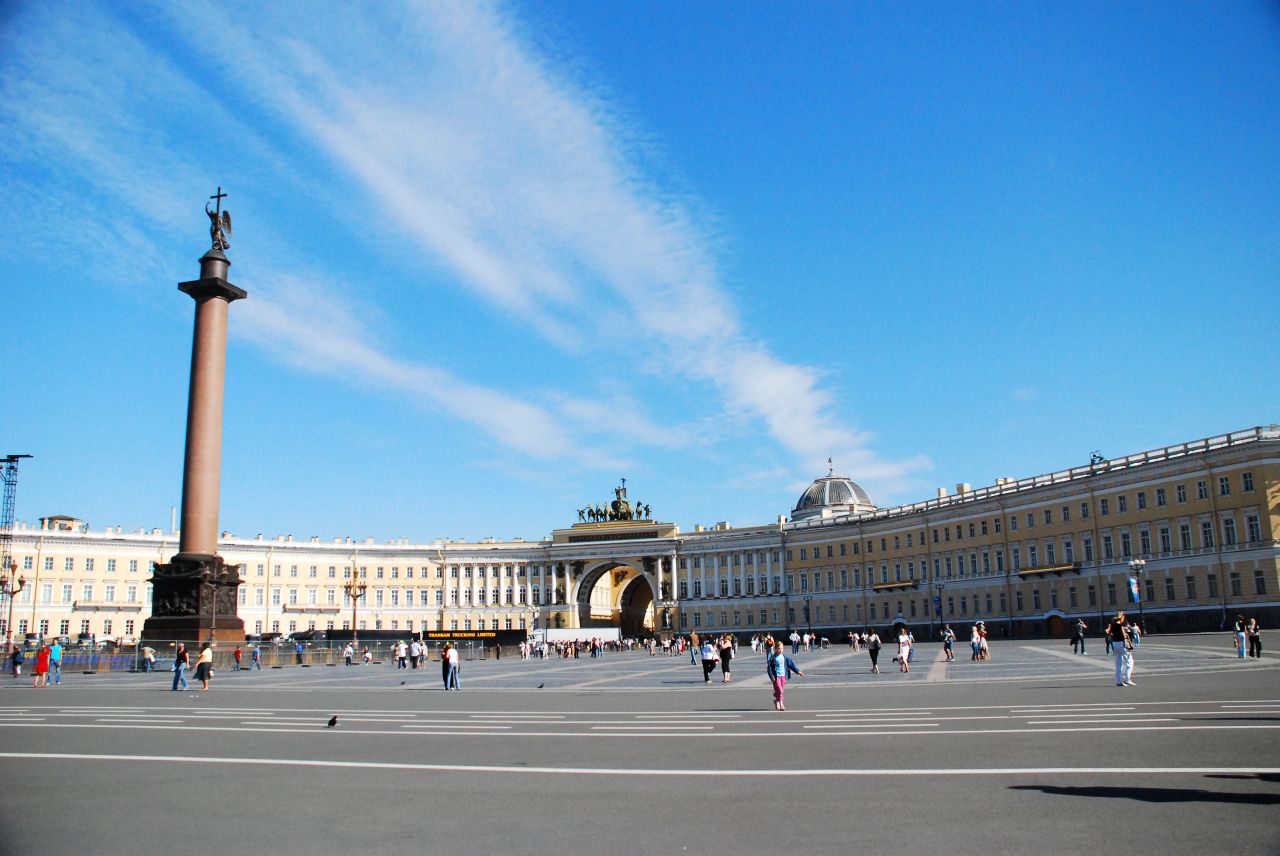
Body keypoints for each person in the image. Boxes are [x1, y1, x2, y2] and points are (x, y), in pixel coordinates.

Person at [766, 640, 804, 711]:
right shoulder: (772, 658)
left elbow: (791, 665)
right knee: (780, 690)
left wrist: (798, 671)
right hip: (776, 677)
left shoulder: (785, 658)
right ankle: (781, 702)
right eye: (779, 648)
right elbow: (769, 668)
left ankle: (777, 701)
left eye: (782, 648)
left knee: (781, 691)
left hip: (783, 676)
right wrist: (772, 676)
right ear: (775, 649)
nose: (780, 650)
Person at [1106, 611, 1133, 687]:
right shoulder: (1120, 626)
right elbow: (1124, 636)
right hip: (1121, 644)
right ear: (1121, 618)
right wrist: (1127, 631)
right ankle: (1127, 679)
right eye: (1123, 617)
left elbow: (1109, 633)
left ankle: (1118, 681)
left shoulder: (1112, 625)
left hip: (1115, 644)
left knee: (1118, 663)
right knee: (1129, 662)